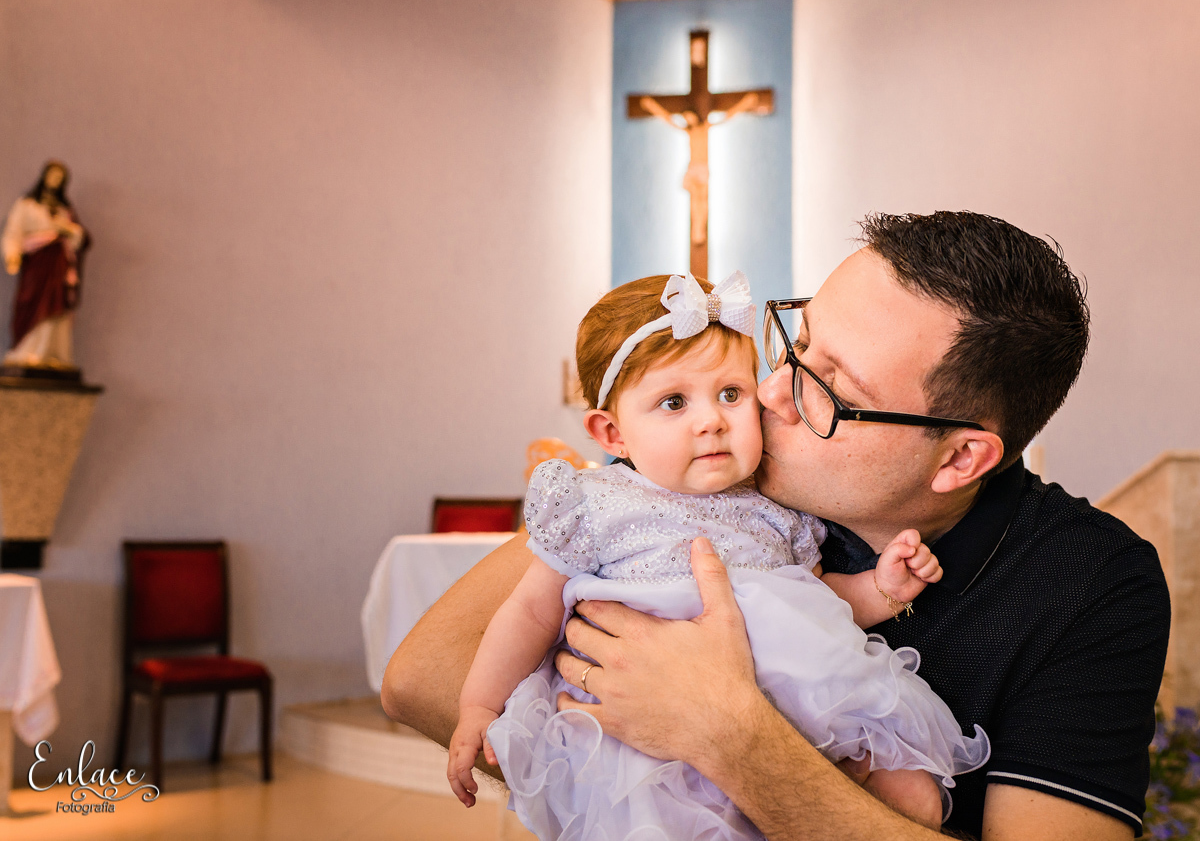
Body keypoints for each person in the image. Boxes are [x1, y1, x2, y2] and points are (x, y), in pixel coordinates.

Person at [385, 212, 1170, 841]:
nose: (765, 392)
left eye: (831, 387)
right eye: (795, 342)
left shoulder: (1092, 583)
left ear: (961, 458)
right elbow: (421, 678)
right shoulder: (692, 477)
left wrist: (728, 734)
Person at [446, 271, 988, 838]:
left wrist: (879, 588)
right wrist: (479, 708)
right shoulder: (595, 506)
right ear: (612, 435)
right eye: (673, 402)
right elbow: (529, 612)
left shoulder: (778, 506)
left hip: (796, 715)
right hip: (648, 730)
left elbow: (815, 600)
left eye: (731, 394)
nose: (712, 421)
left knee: (915, 796)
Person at [2, 160, 89, 369]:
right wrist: (12, 256)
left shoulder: (64, 210)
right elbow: (13, 233)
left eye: (60, 178)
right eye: (52, 176)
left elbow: (81, 238)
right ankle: (27, 351)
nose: (55, 181)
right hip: (37, 266)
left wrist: (68, 230)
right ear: (44, 177)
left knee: (57, 307)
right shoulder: (28, 205)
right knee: (32, 304)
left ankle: (53, 354)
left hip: (58, 267)